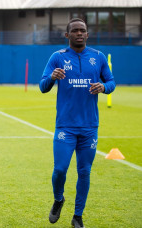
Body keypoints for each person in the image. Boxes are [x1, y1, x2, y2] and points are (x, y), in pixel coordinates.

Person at [40, 18, 116, 228]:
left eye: (82, 30)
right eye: (75, 31)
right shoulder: (57, 57)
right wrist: (52, 78)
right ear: (67, 35)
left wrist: (104, 87)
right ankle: (58, 199)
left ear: (87, 34)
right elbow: (42, 86)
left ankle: (78, 216)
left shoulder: (98, 57)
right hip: (65, 126)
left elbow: (111, 82)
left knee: (84, 171)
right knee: (60, 170)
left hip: (90, 127)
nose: (79, 33)